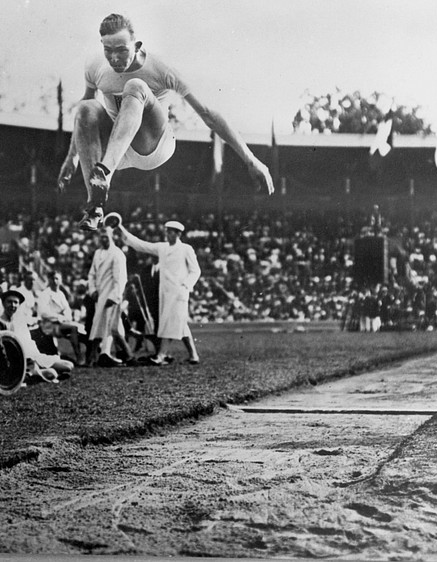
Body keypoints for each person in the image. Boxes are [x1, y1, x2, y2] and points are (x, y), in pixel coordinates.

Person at [57, 13, 274, 231]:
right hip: (117, 146)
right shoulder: (95, 65)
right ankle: (95, 207)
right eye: (108, 50)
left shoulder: (160, 67)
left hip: (153, 145)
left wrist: (251, 160)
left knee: (136, 86)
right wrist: (72, 156)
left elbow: (208, 113)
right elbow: (86, 114)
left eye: (122, 50)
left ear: (137, 45)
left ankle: (104, 172)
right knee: (85, 107)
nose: (114, 58)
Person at [117, 219, 201, 364]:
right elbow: (140, 245)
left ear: (178, 234)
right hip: (165, 294)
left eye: (170, 232)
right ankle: (193, 355)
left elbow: (196, 271)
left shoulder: (186, 249)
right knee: (178, 323)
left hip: (179, 292)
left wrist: (186, 286)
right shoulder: (162, 248)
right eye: (166, 231)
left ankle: (161, 355)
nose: (167, 234)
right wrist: (120, 227)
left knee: (171, 323)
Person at [0, 289, 73, 382]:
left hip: (33, 356)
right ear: (3, 303)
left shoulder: (20, 320)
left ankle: (39, 373)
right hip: (19, 360)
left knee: (68, 366)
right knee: (52, 373)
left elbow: (28, 343)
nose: (13, 305)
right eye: (9, 302)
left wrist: (36, 358)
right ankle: (38, 374)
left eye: (15, 302)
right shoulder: (1, 322)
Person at [87, 225, 132, 366]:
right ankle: (128, 356)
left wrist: (114, 296)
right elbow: (91, 274)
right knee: (114, 328)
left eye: (106, 235)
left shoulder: (117, 254)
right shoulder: (97, 253)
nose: (103, 238)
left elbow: (121, 278)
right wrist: (92, 289)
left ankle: (101, 355)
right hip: (99, 295)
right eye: (101, 235)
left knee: (103, 326)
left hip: (111, 296)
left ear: (112, 236)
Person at [37, 270, 87, 365]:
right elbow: (43, 313)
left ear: (60, 280)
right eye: (52, 279)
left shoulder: (61, 294)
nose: (55, 281)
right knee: (73, 328)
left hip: (62, 323)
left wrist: (66, 317)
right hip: (50, 325)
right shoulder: (45, 294)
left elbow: (67, 309)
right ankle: (79, 357)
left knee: (82, 329)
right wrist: (59, 316)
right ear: (49, 280)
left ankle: (89, 356)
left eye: (57, 279)